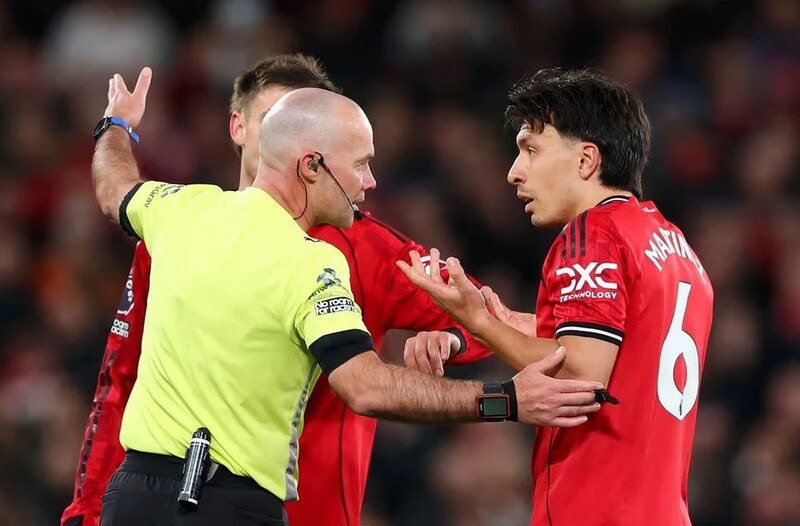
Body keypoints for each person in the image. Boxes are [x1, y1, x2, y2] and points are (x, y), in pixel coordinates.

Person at [90, 67, 604, 525]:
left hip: (134, 497)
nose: (371, 181)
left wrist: (116, 126)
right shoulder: (311, 261)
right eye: (360, 164)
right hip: (227, 505)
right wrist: (505, 400)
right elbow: (366, 386)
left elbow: (115, 187)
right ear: (311, 166)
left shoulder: (182, 208)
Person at [399, 68, 714, 525]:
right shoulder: (676, 248)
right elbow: (609, 341)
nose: (514, 172)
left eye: (531, 150)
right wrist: (489, 324)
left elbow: (581, 375)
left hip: (596, 513)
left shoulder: (592, 235)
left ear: (586, 160)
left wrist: (480, 321)